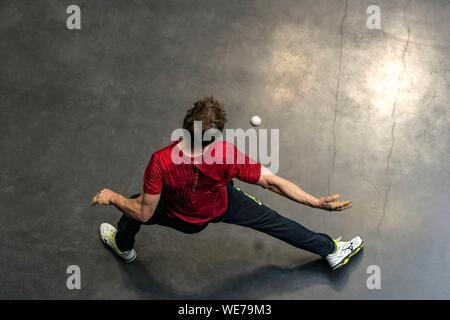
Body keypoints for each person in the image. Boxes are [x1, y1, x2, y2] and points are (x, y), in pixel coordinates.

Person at [92, 96, 364, 270]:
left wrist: (112, 197)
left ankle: (123, 246)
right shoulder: (226, 154)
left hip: (184, 218)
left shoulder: (160, 162)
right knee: (275, 221)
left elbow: (144, 212)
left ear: (185, 124)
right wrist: (314, 202)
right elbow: (271, 182)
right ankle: (332, 250)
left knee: (131, 204)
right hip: (221, 205)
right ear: (216, 135)